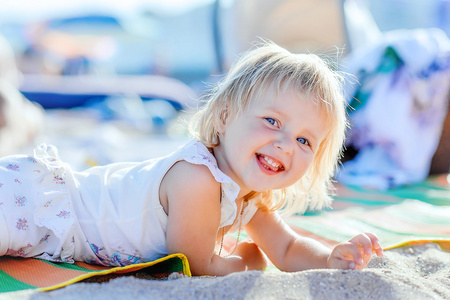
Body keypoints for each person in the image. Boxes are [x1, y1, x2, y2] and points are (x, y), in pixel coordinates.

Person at [0, 41, 383, 276]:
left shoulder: (250, 194)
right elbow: (195, 264)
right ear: (226, 115)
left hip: (48, 222)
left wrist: (332, 257)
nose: (285, 144)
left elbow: (286, 248)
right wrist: (248, 262)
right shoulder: (198, 178)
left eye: (304, 140)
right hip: (38, 206)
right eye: (271, 121)